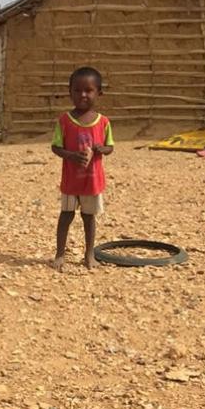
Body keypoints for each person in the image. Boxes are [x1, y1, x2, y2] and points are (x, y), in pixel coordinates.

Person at [50, 67, 114, 270]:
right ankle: (60, 254)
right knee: (66, 215)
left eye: (89, 90)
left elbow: (110, 147)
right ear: (70, 92)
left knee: (89, 218)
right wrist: (71, 156)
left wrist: (100, 149)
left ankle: (89, 255)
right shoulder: (64, 121)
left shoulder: (103, 122)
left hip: (92, 181)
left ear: (99, 93)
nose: (83, 95)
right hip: (71, 181)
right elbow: (56, 147)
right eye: (77, 90)